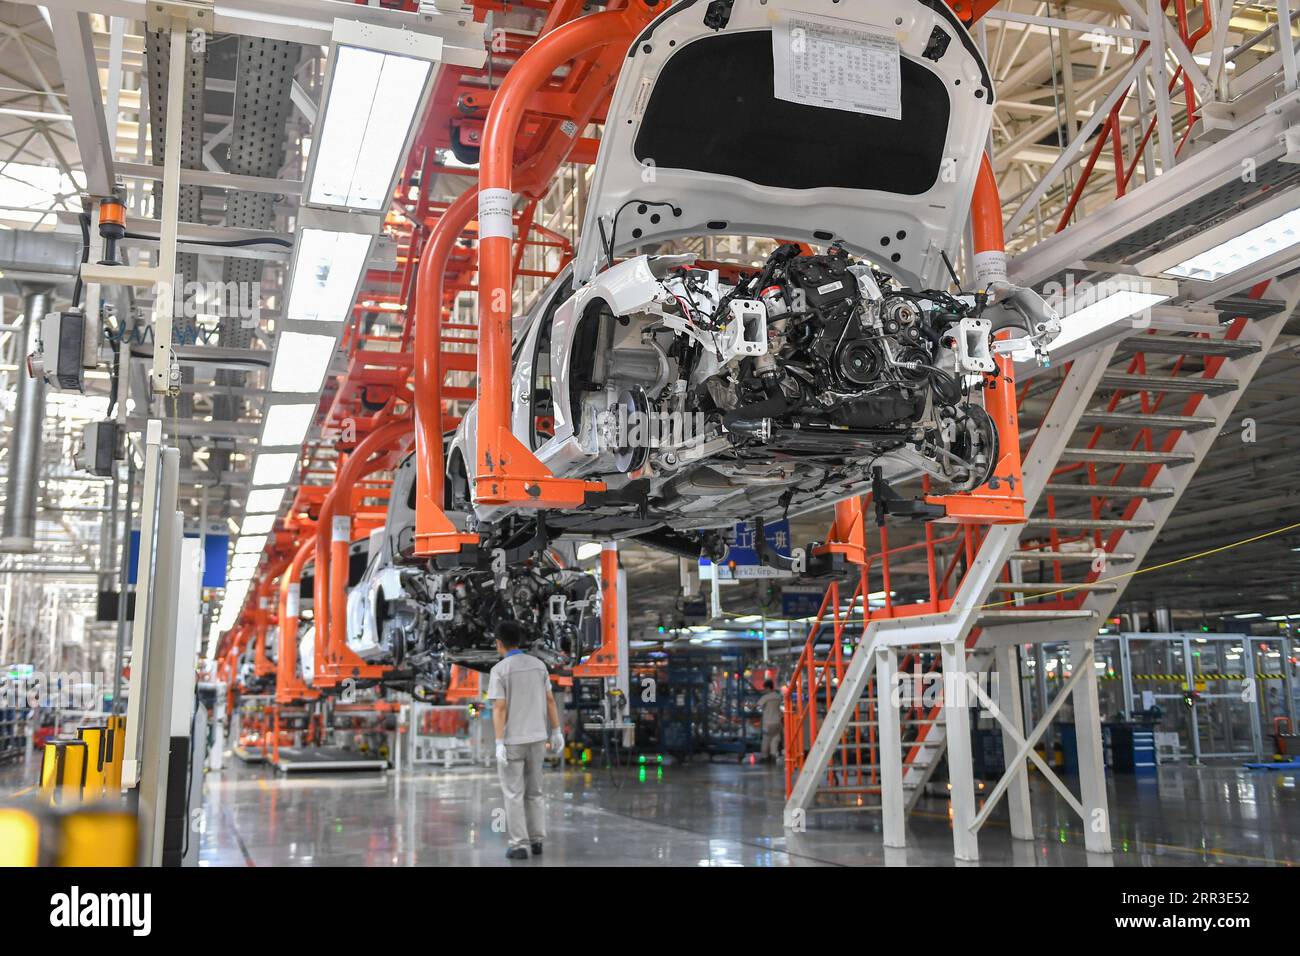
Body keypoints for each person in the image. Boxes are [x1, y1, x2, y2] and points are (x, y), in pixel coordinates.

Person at [487, 620, 564, 860]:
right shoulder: (539, 665)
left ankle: (519, 844)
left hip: (512, 742)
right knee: (535, 792)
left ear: (499, 644)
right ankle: (537, 840)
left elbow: (499, 708)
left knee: (513, 793)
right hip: (537, 739)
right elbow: (550, 700)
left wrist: (499, 742)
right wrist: (556, 730)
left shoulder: (499, 670)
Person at [757, 679, 784, 764]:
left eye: (765, 688)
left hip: (768, 723)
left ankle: (764, 757)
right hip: (778, 723)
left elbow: (757, 705)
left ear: (768, 688)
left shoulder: (766, 697)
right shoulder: (778, 696)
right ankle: (773, 756)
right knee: (775, 740)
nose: (764, 690)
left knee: (766, 740)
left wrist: (745, 705)